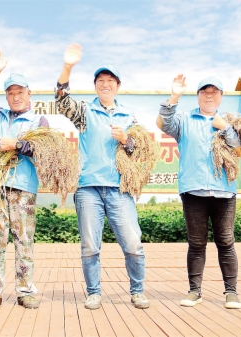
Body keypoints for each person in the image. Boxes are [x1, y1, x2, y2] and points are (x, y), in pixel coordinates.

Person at [55, 44, 149, 310]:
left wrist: (126, 139)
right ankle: (94, 292)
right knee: (89, 247)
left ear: (117, 85)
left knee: (132, 244)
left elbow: (140, 148)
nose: (105, 85)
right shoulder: (85, 112)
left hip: (120, 188)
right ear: (95, 86)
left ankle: (137, 290)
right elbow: (62, 101)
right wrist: (68, 66)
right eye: (100, 81)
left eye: (110, 81)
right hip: (88, 188)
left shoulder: (129, 115)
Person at [157, 74, 241, 309]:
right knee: (196, 243)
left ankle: (231, 292)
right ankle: (195, 291)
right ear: (197, 96)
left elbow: (240, 146)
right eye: (204, 91)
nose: (209, 95)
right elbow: (164, 123)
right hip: (193, 190)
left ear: (221, 96)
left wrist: (225, 128)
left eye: (214, 91)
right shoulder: (185, 120)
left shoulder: (231, 120)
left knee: (225, 241)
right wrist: (174, 95)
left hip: (224, 191)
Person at [0, 51, 49, 310]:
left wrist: (18, 145)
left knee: (24, 240)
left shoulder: (39, 121)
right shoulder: (0, 116)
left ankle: (25, 290)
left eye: (20, 92)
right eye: (10, 93)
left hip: (24, 189)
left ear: (29, 94)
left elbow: (45, 151)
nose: (15, 97)